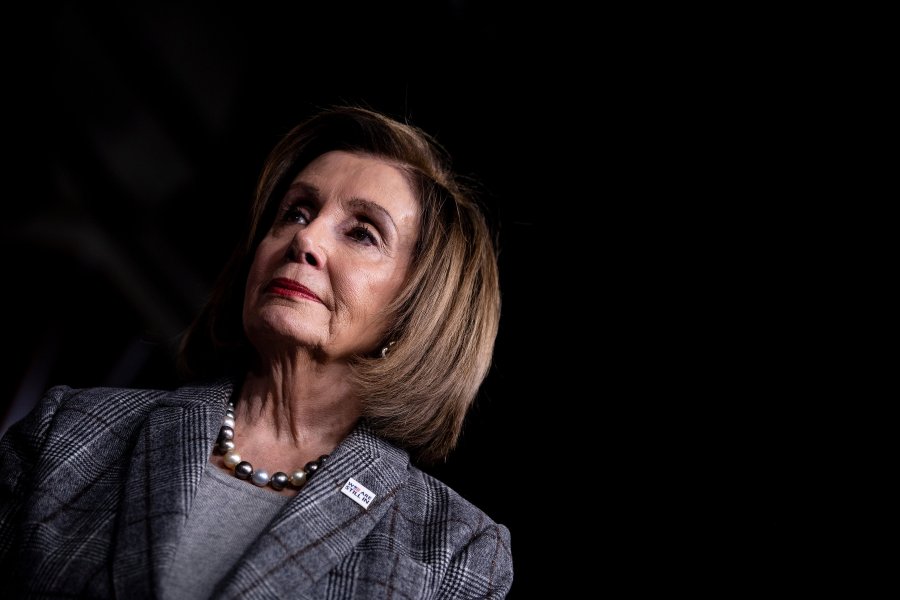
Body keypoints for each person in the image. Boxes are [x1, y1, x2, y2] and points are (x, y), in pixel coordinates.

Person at [0, 105, 512, 599]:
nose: (304, 238)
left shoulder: (454, 550)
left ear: (417, 309)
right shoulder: (67, 430)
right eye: (295, 212)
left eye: (361, 232)